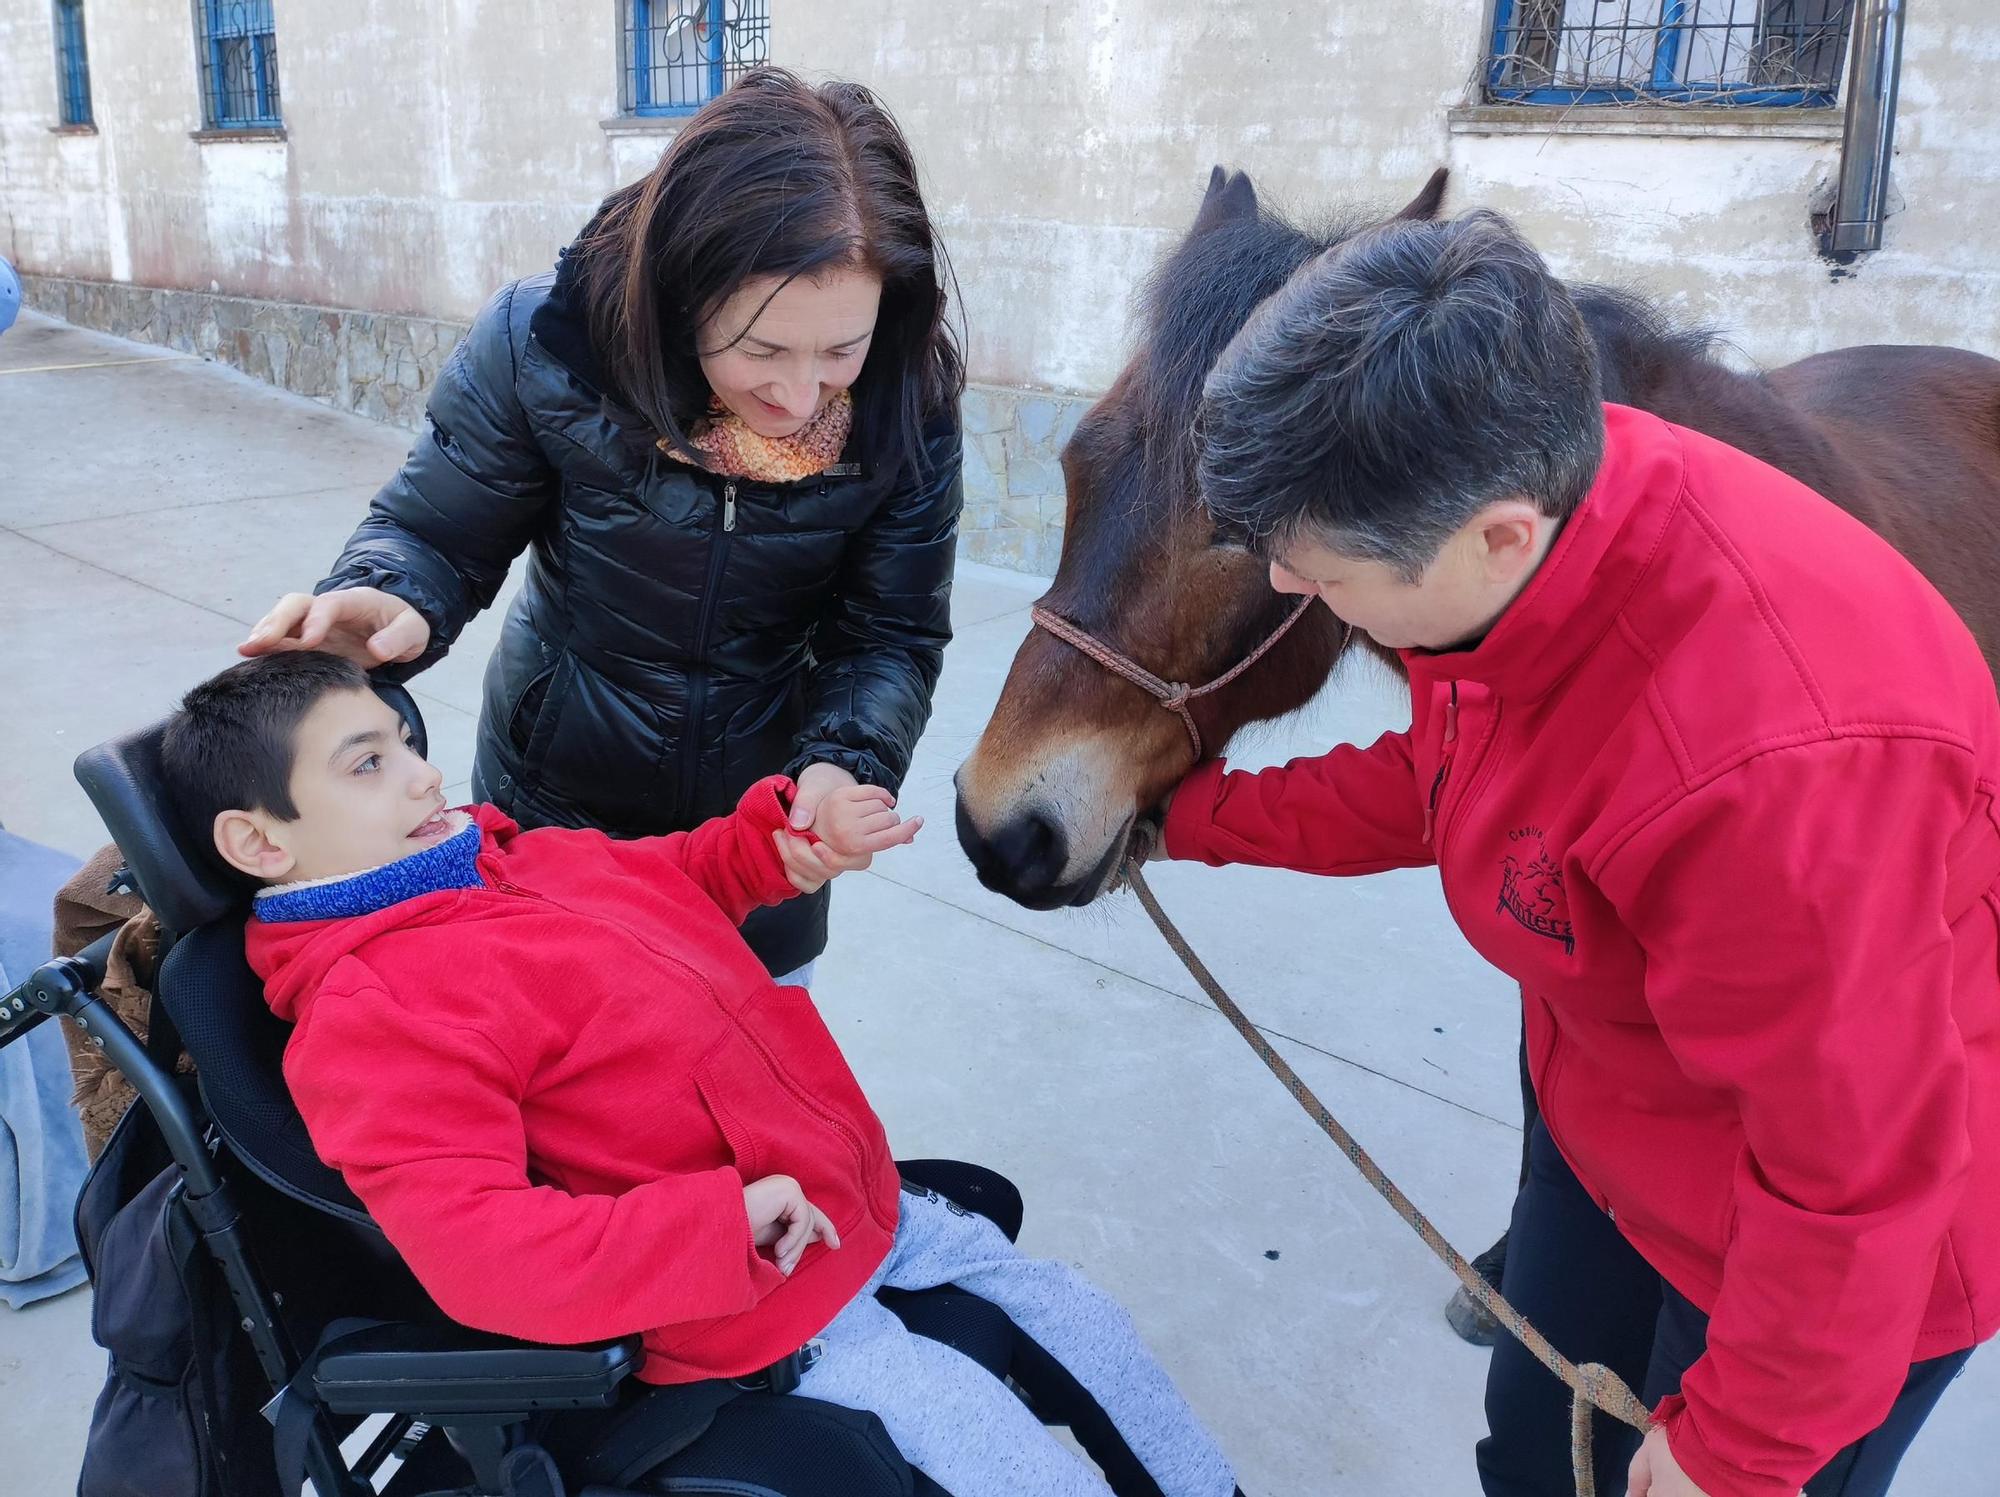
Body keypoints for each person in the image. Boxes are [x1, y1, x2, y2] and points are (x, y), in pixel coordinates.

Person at [1162, 210, 1997, 1497]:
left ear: (1495, 531)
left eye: (1317, 566)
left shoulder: (1779, 765)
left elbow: (1850, 1172)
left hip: (1810, 1256)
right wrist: (1187, 819)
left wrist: (1742, 1444)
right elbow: (1454, 775)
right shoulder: (1548, 509)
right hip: (1614, 1120)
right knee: (1535, 1457)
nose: (1283, 585)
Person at [157, 651, 1237, 1497]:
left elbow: (673, 876)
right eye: (367, 765)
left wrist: (780, 849)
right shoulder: (374, 1015)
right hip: (762, 1303)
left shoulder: (509, 863)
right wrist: (718, 1229)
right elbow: (485, 1255)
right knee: (1014, 1469)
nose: (424, 771)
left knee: (1079, 1319)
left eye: (402, 741)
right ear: (260, 843)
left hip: (848, 1200)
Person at [238, 67, 964, 989]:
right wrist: (390, 592)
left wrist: (842, 766)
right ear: (683, 290)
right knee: (566, 1074)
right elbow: (435, 528)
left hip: (763, 828)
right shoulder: (549, 342)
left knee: (744, 1087)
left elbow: (889, 631)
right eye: (762, 349)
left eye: (839, 352)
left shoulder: (908, 399)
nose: (796, 394)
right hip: (557, 800)